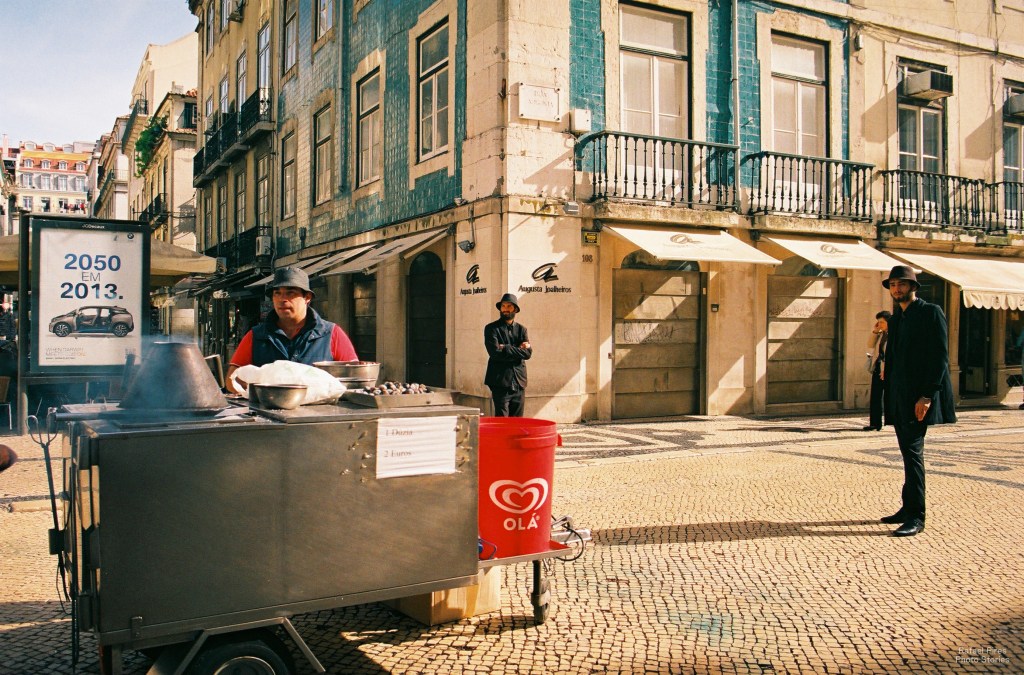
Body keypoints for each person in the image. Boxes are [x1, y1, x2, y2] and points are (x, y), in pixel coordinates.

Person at [880, 265, 956, 537]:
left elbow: (940, 357)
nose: (896, 289)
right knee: (906, 451)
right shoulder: (896, 318)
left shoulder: (930, 312)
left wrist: (927, 396)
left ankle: (917, 516)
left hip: (918, 396)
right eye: (893, 285)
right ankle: (906, 507)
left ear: (913, 287)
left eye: (901, 284)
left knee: (913, 454)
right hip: (898, 394)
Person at [225, 267, 357, 393]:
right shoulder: (256, 336)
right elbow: (232, 380)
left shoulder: (332, 333)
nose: (283, 299)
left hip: (319, 413)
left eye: (290, 293)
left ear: (307, 298)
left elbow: (355, 376)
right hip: (267, 412)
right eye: (277, 293)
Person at [484, 293, 532, 417]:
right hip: (500, 381)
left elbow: (527, 353)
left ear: (515, 309)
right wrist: (517, 350)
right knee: (502, 420)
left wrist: (505, 347)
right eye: (503, 306)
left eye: (509, 306)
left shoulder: (522, 330)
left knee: (517, 420)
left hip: (519, 381)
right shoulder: (491, 329)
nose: (505, 309)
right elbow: (495, 353)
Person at [863, 310, 891, 431]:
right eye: (878, 322)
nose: (880, 324)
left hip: (888, 369)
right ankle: (875, 423)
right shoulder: (880, 334)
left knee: (890, 396)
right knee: (876, 395)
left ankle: (894, 421)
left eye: (882, 322)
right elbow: (870, 344)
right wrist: (875, 331)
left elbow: (891, 354)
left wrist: (886, 370)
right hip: (878, 367)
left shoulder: (894, 335)